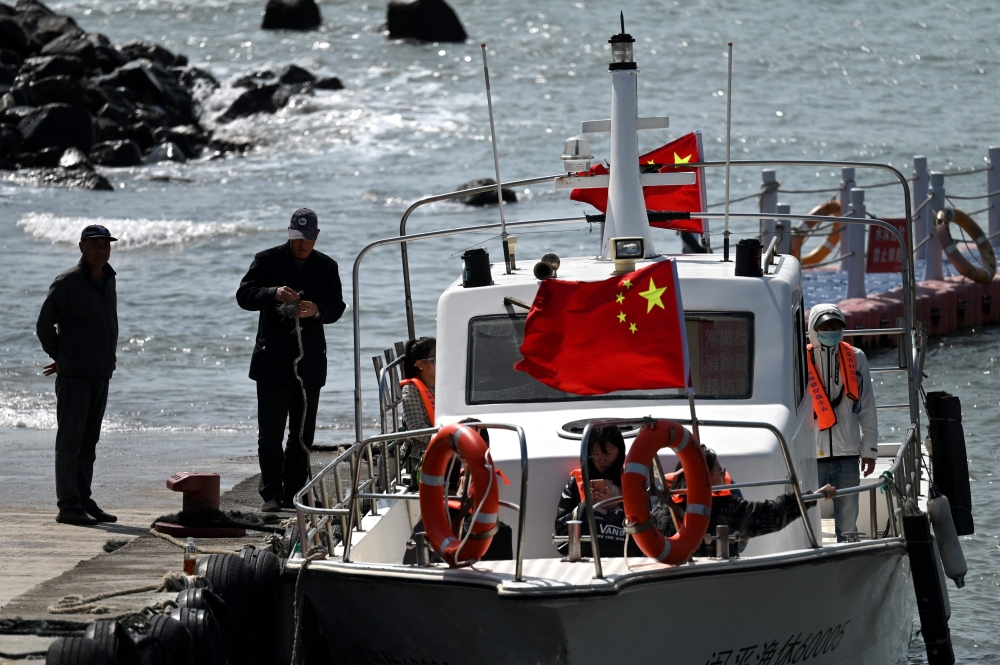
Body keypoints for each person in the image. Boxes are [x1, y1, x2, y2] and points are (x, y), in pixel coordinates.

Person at [236, 208, 346, 512]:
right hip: (272, 362)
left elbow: (337, 306)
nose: (303, 244)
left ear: (316, 236)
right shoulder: (266, 260)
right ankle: (271, 493)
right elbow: (244, 295)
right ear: (289, 233)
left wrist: (317, 310)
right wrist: (272, 293)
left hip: (308, 364)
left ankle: (295, 493)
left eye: (308, 238)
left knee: (302, 434)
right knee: (270, 433)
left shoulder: (326, 266)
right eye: (298, 238)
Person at [35, 225, 120, 526]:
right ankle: (68, 506)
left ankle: (83, 499)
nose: (102, 249)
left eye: (106, 244)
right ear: (81, 247)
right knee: (70, 442)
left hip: (100, 372)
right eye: (95, 244)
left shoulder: (109, 279)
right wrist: (61, 356)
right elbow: (44, 325)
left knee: (89, 442)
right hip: (75, 376)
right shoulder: (68, 282)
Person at [656, 446, 837, 557]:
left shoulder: (661, 512)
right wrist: (812, 497)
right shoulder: (727, 510)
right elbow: (774, 514)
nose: (725, 477)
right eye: (721, 472)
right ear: (708, 478)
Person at [807, 303, 878, 541]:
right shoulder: (799, 359)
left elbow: (867, 407)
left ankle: (848, 552)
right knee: (808, 517)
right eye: (825, 326)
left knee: (848, 521)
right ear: (813, 328)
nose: (831, 330)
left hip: (848, 451)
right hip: (811, 455)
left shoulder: (857, 358)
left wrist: (869, 450)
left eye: (836, 325)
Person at [402, 418, 512, 564]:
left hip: (478, 546)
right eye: (459, 445)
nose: (461, 450)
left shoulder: (492, 481)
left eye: (466, 445)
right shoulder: (457, 478)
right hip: (449, 542)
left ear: (484, 445)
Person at [554, 426, 643, 558]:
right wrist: (584, 507)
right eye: (595, 453)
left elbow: (647, 528)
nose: (601, 459)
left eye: (607, 453)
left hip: (626, 558)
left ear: (619, 452)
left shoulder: (632, 482)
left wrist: (615, 508)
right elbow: (560, 532)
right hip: (585, 558)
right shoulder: (576, 483)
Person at [399, 337, 436, 470]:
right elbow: (416, 428)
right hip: (420, 457)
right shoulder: (411, 390)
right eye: (436, 360)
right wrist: (446, 441)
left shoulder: (446, 386)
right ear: (420, 364)